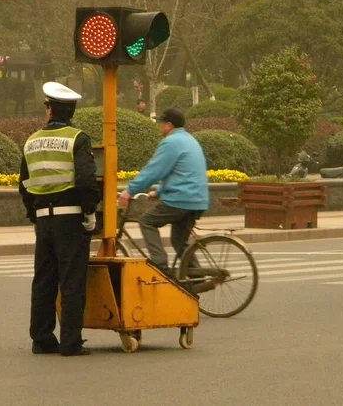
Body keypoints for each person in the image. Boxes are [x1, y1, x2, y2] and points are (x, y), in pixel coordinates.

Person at [19, 81, 100, 357]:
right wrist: (90, 213)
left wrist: (35, 215)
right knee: (72, 281)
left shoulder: (31, 141)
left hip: (44, 221)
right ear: (71, 111)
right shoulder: (78, 139)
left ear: (50, 109)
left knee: (43, 281)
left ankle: (41, 339)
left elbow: (24, 184)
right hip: (71, 220)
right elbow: (87, 180)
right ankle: (70, 342)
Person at [118, 108, 209, 275]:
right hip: (198, 199)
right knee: (179, 242)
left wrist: (129, 191)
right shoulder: (189, 140)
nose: (159, 127)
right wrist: (159, 192)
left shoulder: (171, 142)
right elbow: (181, 174)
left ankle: (160, 267)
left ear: (168, 125)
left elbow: (154, 171)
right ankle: (199, 277)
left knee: (146, 221)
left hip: (181, 199)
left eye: (161, 123)